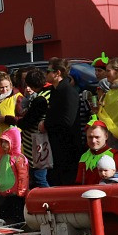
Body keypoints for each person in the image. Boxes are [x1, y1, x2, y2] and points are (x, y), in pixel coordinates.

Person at [43, 58, 83, 186]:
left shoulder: (68, 91)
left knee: (68, 182)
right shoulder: (55, 91)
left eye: (48, 71)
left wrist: (46, 124)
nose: (46, 73)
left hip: (68, 147)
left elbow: (67, 120)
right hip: (57, 145)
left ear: (57, 73)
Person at [17, 69, 52, 189]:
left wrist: (16, 120)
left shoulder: (40, 99)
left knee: (39, 178)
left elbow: (27, 122)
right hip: (36, 144)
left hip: (38, 145)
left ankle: (49, 200)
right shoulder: (49, 92)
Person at [76, 119, 118, 184]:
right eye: (90, 137)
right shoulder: (84, 157)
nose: (93, 141)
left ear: (106, 136)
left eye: (97, 137)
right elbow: (79, 184)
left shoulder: (115, 155)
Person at [0, 126, 28, 224]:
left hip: (16, 194)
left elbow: (23, 175)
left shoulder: (18, 158)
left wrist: (22, 191)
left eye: (7, 142)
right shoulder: (3, 157)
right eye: (2, 142)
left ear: (14, 142)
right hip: (5, 193)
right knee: (6, 213)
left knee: (16, 213)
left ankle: (19, 227)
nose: (4, 145)